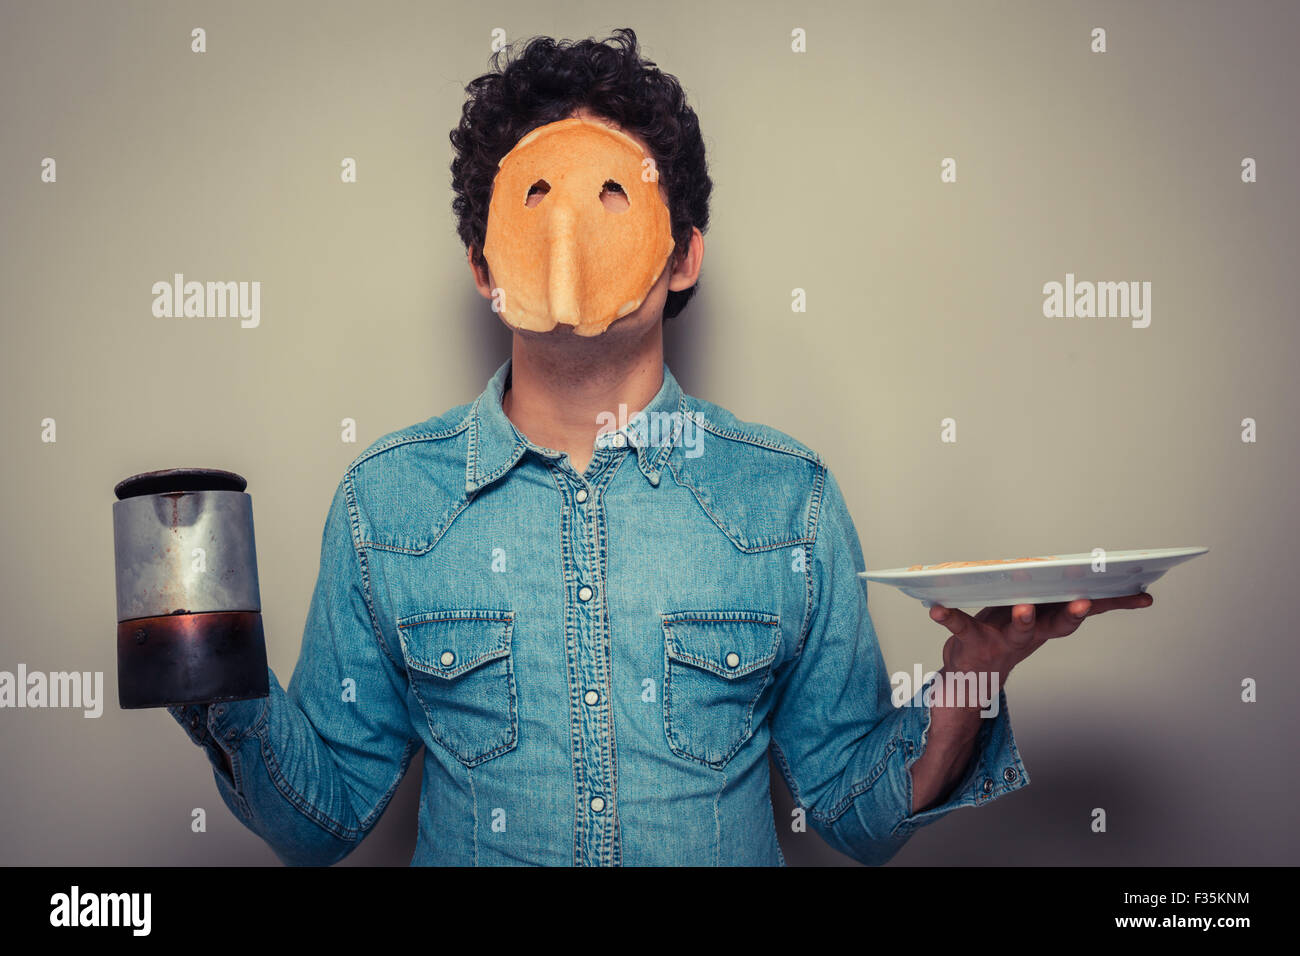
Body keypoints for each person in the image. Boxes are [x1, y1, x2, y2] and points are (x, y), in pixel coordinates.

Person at [169, 27, 1151, 866]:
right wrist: (206, 670)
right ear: (485, 268)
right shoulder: (385, 502)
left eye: (614, 196)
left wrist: (974, 672)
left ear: (683, 255)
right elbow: (323, 816)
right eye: (540, 201)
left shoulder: (785, 498)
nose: (576, 237)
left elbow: (857, 811)